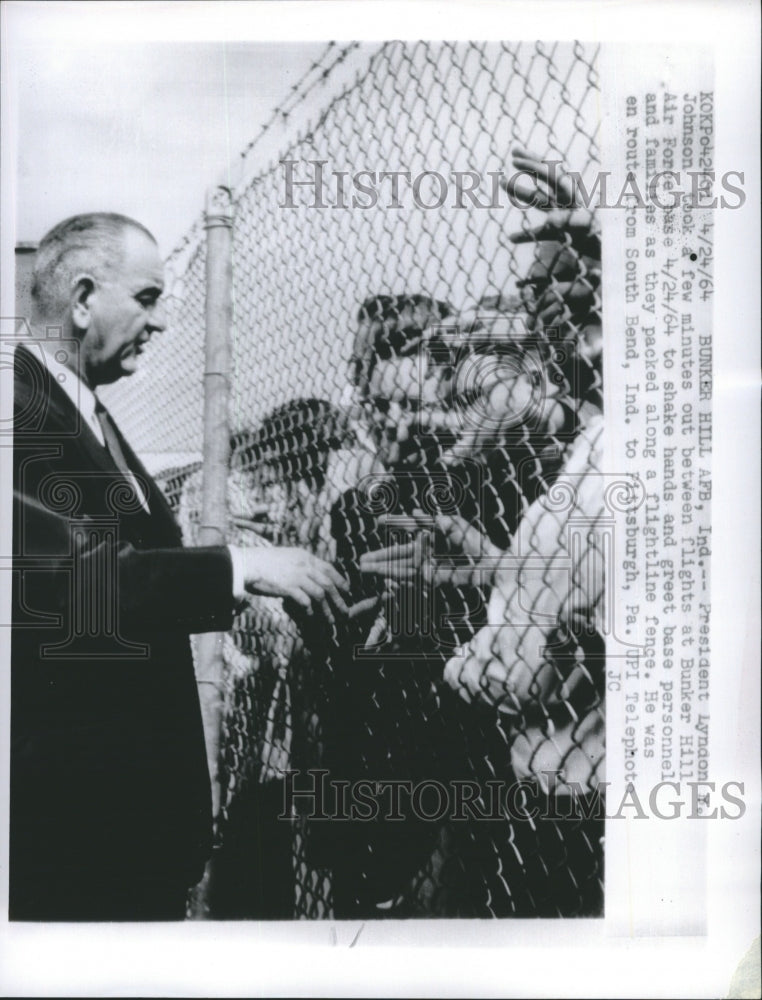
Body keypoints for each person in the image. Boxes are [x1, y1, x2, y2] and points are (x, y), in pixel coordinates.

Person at [10, 212, 350, 921]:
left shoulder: (75, 408)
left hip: (107, 825)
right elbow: (79, 580)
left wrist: (237, 579)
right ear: (80, 299)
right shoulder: (20, 409)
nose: (159, 322)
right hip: (73, 838)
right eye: (147, 298)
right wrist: (237, 566)